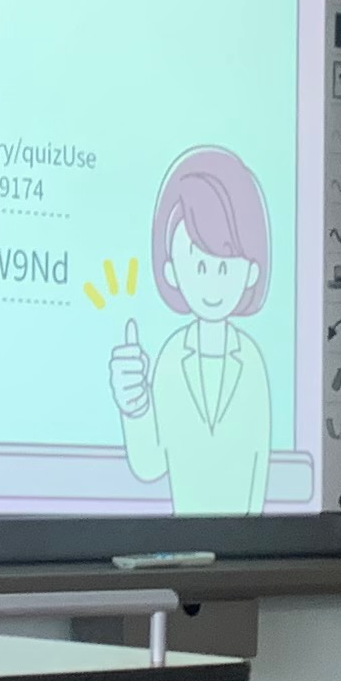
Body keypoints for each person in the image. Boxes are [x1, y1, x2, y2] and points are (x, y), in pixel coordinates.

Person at [108, 144, 276, 517]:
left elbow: (259, 468)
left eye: (224, 266)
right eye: (199, 266)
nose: (213, 283)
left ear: (250, 271)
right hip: (180, 536)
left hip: (248, 545)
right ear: (171, 270)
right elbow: (149, 464)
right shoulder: (171, 358)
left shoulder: (252, 362)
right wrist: (133, 406)